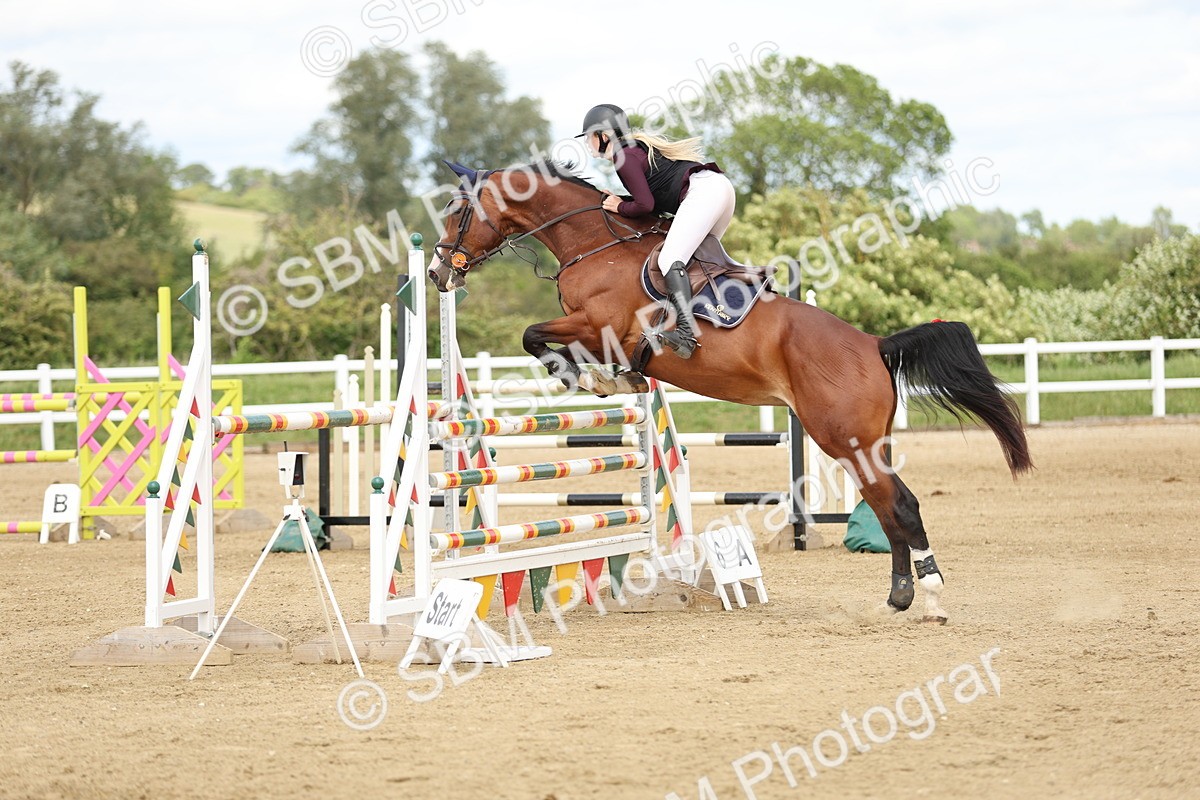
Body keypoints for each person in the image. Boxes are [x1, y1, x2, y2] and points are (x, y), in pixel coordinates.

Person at [578, 103, 735, 359]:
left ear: (604, 136)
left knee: (669, 260)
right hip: (719, 188)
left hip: (704, 193)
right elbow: (649, 198)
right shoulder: (632, 150)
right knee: (699, 261)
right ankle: (721, 312)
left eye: (589, 137)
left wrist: (620, 206)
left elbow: (645, 206)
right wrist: (620, 200)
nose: (587, 143)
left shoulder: (622, 156)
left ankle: (686, 335)